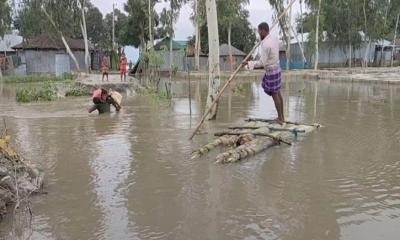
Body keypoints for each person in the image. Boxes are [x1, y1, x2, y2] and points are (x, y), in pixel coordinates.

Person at [245, 22, 285, 123]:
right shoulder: (274, 38)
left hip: (272, 71)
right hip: (277, 68)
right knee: (278, 93)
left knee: (275, 95)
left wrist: (249, 63)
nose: (259, 34)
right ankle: (282, 117)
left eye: (259, 32)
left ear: (263, 31)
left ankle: (280, 119)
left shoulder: (266, 44)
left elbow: (262, 63)